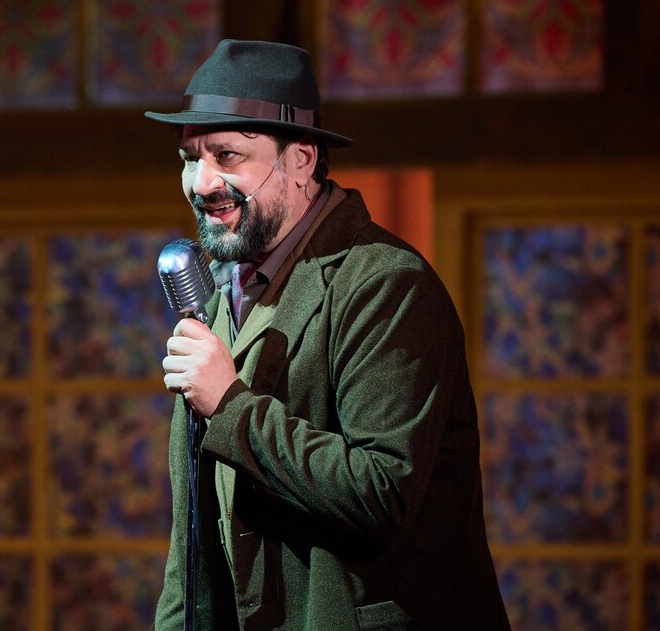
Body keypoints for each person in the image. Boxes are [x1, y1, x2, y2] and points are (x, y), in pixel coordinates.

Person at [145, 39, 510, 631]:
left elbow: (383, 491)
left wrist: (231, 406)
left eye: (227, 155)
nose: (200, 181)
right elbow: (193, 539)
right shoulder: (220, 297)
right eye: (190, 158)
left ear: (301, 161)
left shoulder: (386, 283)